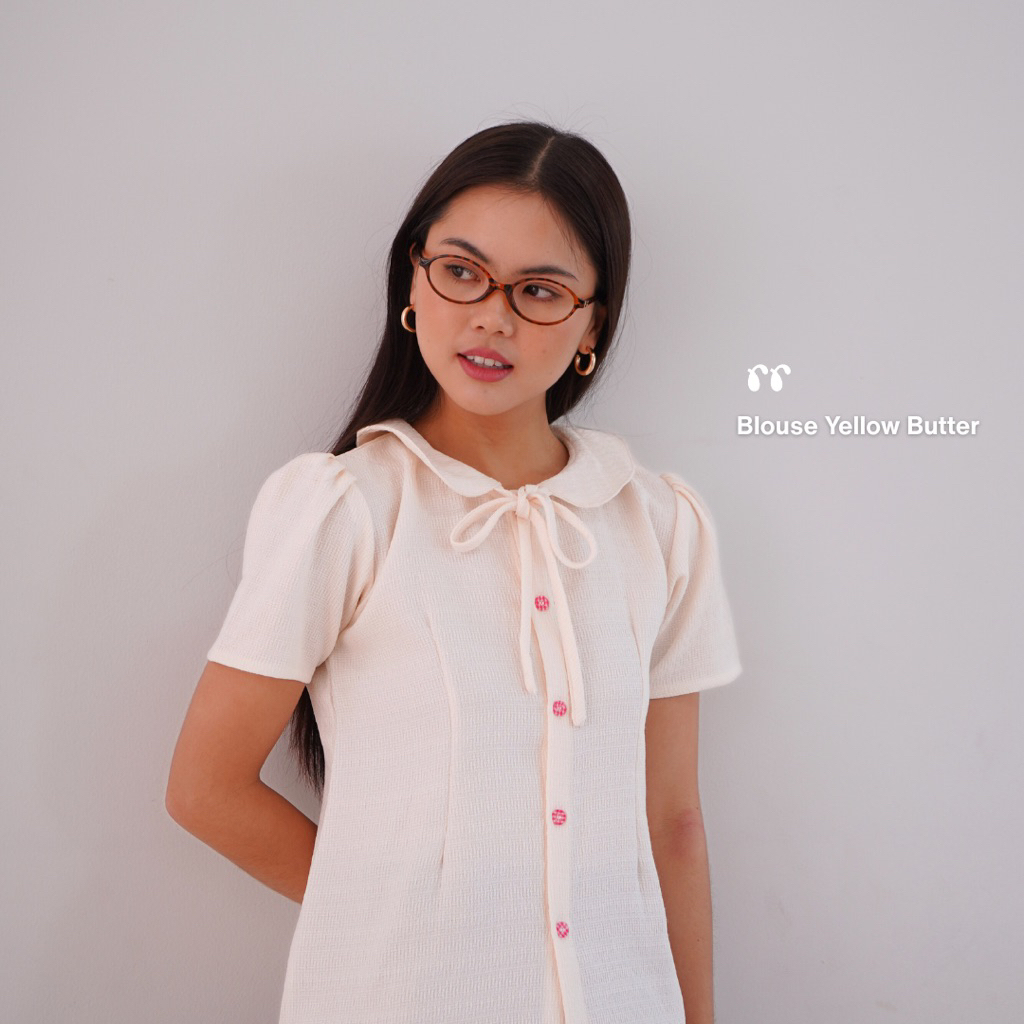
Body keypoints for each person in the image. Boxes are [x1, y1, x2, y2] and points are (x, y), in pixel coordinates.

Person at [166, 120, 743, 1024]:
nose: (492, 316)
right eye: (462, 271)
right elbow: (206, 789)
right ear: (414, 278)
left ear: (592, 324)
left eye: (540, 291)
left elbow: (673, 822)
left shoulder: (659, 523)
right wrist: (394, 913)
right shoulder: (347, 507)